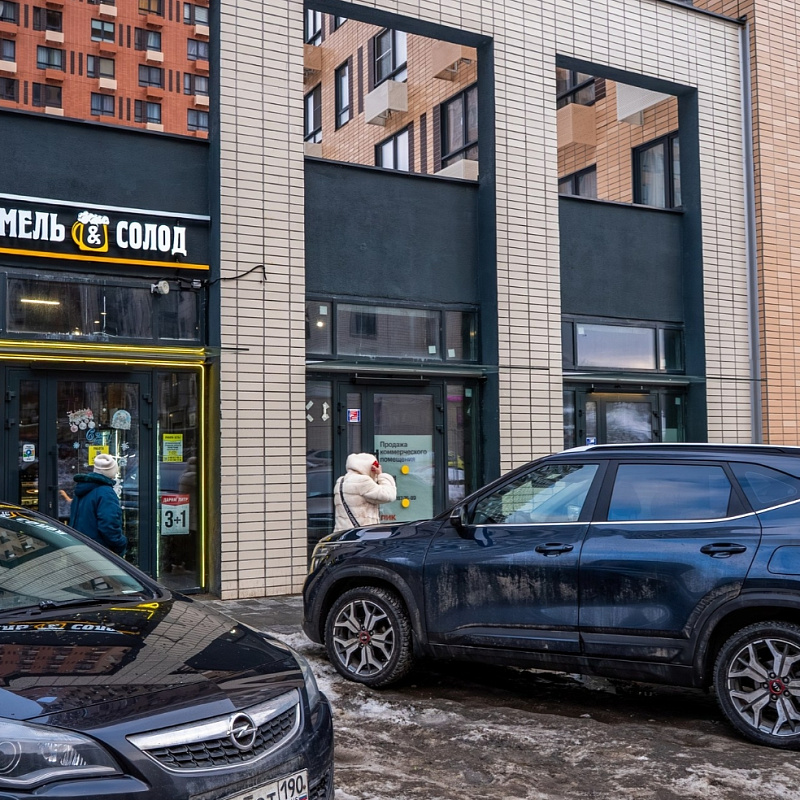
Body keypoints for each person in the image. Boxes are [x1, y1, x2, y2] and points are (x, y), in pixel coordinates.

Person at [69, 453, 127, 557]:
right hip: (98, 551)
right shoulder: (106, 492)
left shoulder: (81, 489)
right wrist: (120, 543)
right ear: (111, 472)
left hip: (78, 547)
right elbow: (109, 524)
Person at [333, 452, 397, 532]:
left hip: (343, 533)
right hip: (361, 534)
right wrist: (381, 474)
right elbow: (389, 495)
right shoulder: (362, 481)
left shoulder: (341, 481)